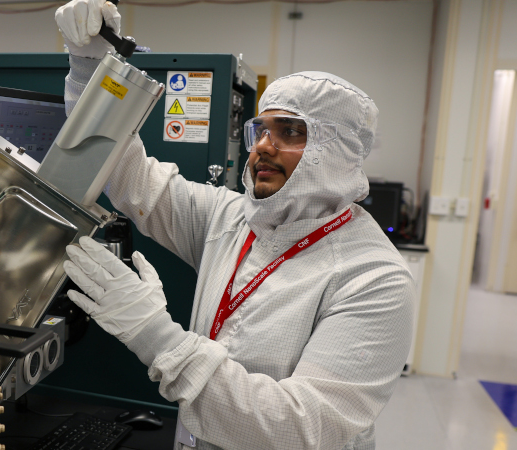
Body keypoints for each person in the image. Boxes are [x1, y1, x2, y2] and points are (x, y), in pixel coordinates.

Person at [55, 1, 414, 449]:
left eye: (290, 131)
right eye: (261, 129)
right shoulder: (233, 218)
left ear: (337, 150)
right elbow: (131, 180)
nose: (263, 146)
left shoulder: (375, 278)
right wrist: (91, 70)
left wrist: (155, 335)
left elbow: (301, 429)